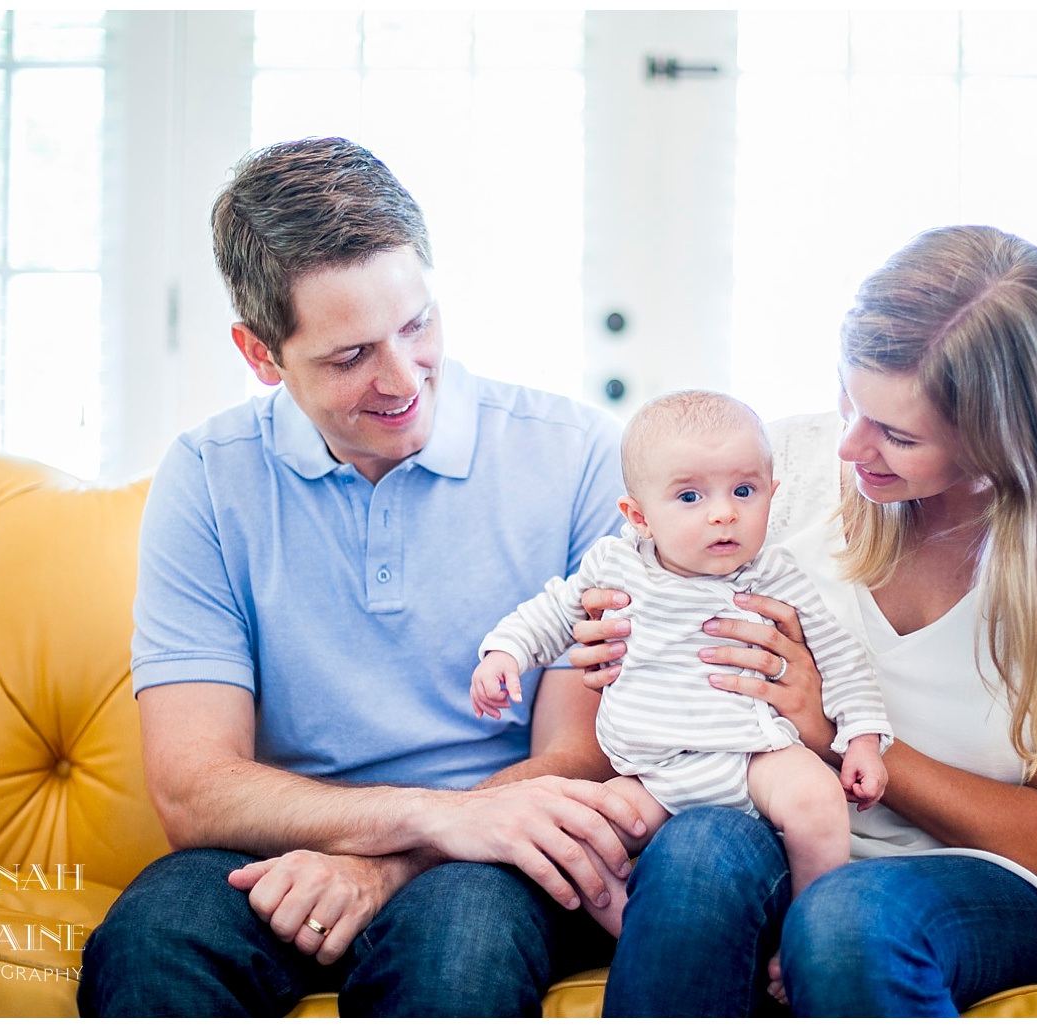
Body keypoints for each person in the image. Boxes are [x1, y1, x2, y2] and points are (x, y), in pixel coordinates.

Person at [76, 137, 649, 1017]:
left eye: (417, 324)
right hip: (290, 849)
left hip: (499, 851)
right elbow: (194, 790)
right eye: (349, 358)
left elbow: (575, 758)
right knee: (154, 939)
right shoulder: (206, 475)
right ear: (261, 353)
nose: (403, 379)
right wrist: (422, 818)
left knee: (457, 950)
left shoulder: (577, 455)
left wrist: (385, 867)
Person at [570, 226, 1037, 1016]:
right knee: (695, 853)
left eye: (898, 434)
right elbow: (614, 617)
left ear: (1007, 439)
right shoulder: (767, 472)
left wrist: (832, 726)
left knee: (848, 916)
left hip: (998, 882)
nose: (852, 446)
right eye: (848, 398)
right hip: (775, 827)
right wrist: (604, 649)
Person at [470, 389, 893, 936]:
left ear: (773, 494)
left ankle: (811, 928)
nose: (724, 513)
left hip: (753, 757)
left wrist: (861, 739)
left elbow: (842, 658)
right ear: (639, 516)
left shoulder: (773, 576)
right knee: (576, 836)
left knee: (818, 801)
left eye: (745, 491)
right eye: (690, 497)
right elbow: (554, 610)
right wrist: (504, 653)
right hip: (654, 773)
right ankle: (634, 927)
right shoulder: (616, 566)